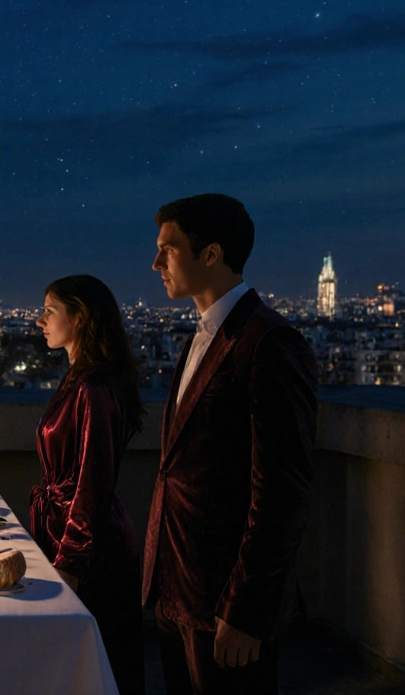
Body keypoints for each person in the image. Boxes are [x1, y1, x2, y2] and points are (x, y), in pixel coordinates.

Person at [143, 194, 317, 694]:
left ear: (212, 254)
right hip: (179, 588)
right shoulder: (203, 336)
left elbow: (282, 492)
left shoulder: (270, 343)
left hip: (224, 599)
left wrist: (247, 609)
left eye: (168, 249)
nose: (155, 262)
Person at [30, 274, 146, 695]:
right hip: (71, 534)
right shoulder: (81, 378)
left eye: (50, 311)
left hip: (89, 548)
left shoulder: (93, 385)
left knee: (94, 667)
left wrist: (72, 562)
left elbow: (92, 482)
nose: (40, 320)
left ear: (79, 318)